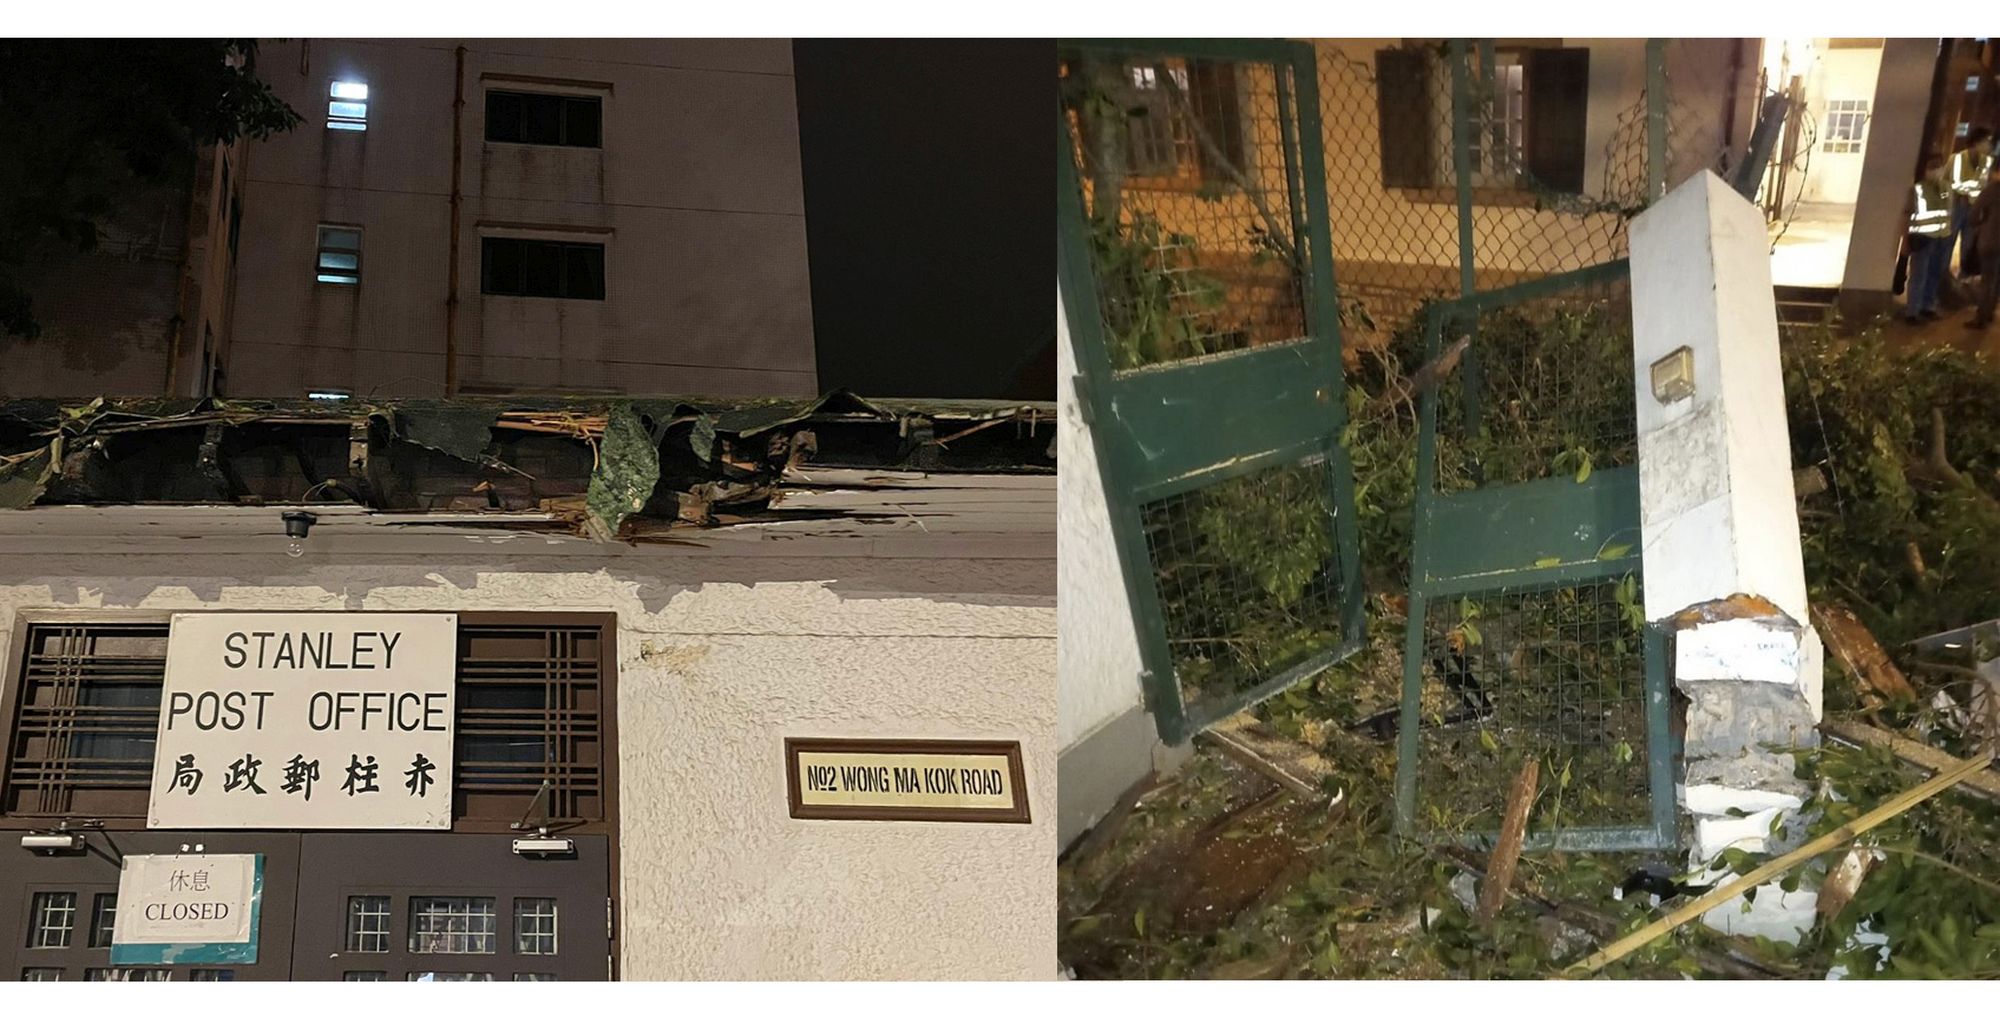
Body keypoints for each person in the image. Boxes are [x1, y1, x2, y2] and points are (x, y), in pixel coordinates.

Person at [1906, 154, 1954, 323]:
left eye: (1939, 166)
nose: (1937, 170)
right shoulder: (1918, 189)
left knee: (1935, 274)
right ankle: (1912, 311)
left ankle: (1928, 306)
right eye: (1932, 166)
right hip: (1923, 237)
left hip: (1943, 237)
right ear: (1925, 169)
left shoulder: (1946, 188)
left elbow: (1948, 212)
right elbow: (1908, 213)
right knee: (1919, 275)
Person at [1950, 127, 1995, 280]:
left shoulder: (1987, 162)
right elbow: (1949, 183)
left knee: (1968, 244)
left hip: (1974, 207)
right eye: (1986, 141)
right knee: (1948, 242)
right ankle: (1943, 279)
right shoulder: (1957, 159)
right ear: (1976, 142)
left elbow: (1985, 185)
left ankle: (1963, 278)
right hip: (1957, 205)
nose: (1989, 145)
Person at [1967, 163, 2000, 327]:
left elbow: (1974, 215)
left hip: (1990, 240)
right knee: (1996, 280)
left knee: (1987, 280)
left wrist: (1980, 224)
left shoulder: (1991, 190)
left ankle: (1981, 317)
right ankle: (1990, 312)